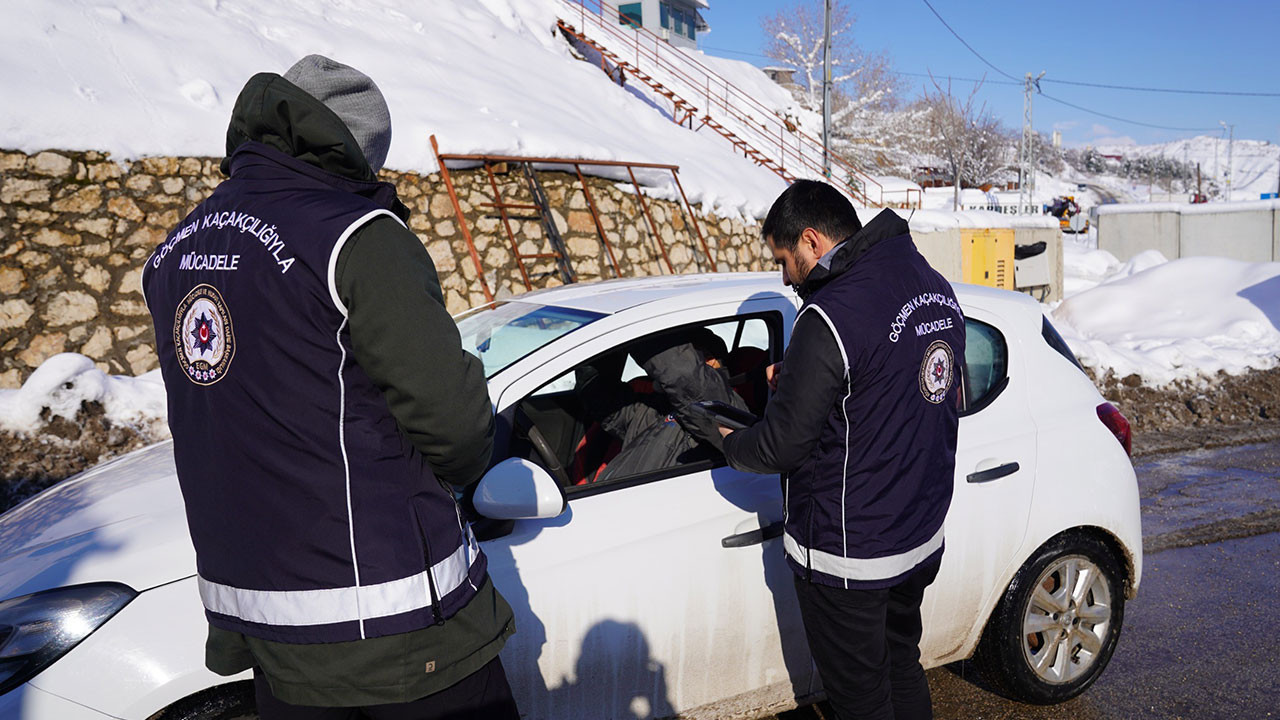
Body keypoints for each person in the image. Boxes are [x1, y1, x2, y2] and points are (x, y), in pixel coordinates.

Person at [142, 55, 519, 719]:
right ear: (357, 155)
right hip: (397, 631)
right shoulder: (357, 237)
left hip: (269, 626)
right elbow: (455, 428)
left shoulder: (178, 247)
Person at [718, 180, 965, 720]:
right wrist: (809, 378)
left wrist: (730, 443)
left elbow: (782, 445)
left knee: (861, 699)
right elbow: (905, 383)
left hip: (851, 556)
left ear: (810, 241)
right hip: (919, 536)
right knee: (903, 664)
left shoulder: (829, 314)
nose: (785, 277)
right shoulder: (934, 285)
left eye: (784, 260)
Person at [574, 328, 749, 483]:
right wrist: (605, 336)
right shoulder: (654, 406)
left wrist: (636, 324)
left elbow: (686, 379)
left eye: (693, 355)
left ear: (710, 363)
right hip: (607, 505)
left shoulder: (724, 408)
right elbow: (601, 399)